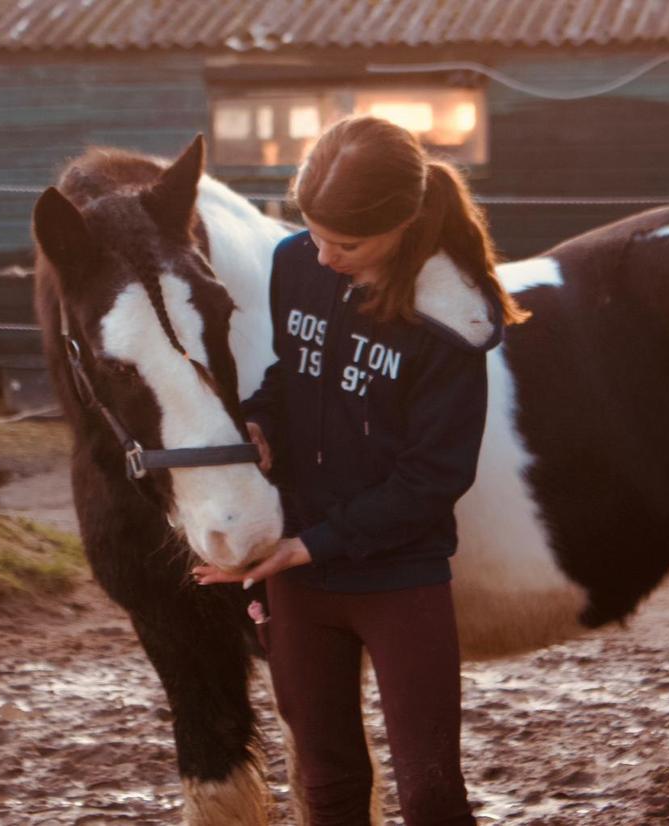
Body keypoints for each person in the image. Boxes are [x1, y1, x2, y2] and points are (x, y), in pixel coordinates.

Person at [193, 115, 528, 826]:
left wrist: (309, 545)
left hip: (399, 579)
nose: (325, 257)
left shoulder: (450, 318)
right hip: (301, 585)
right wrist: (259, 423)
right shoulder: (296, 264)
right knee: (328, 785)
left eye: (346, 244)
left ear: (403, 223)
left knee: (431, 793)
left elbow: (434, 477)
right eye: (314, 233)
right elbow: (291, 376)